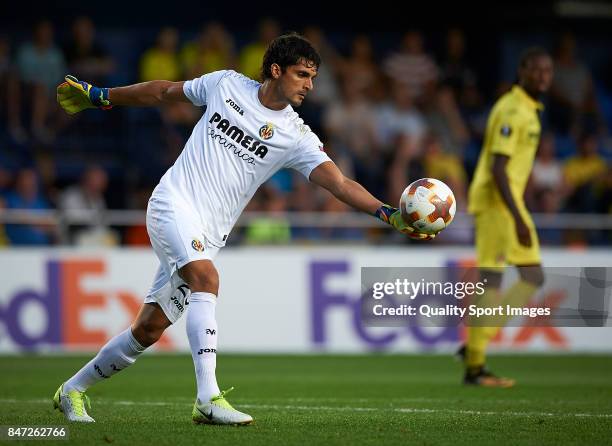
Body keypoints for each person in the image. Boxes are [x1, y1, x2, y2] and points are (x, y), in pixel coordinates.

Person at [53, 33, 434, 425]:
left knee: (148, 329)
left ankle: (72, 390)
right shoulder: (226, 84)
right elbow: (164, 92)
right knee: (206, 278)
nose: (310, 85)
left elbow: (339, 184)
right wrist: (100, 95)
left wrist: (388, 214)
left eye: (313, 77)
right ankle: (208, 399)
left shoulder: (295, 134)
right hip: (173, 203)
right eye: (302, 74)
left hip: (210, 233)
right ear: (275, 70)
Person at [461, 47, 553, 387]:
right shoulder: (513, 109)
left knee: (532, 276)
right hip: (498, 204)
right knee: (493, 280)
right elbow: (499, 168)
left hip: (509, 203)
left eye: (549, 71)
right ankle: (475, 365)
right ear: (523, 70)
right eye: (537, 70)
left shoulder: (527, 109)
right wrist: (516, 216)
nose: (544, 76)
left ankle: (477, 341)